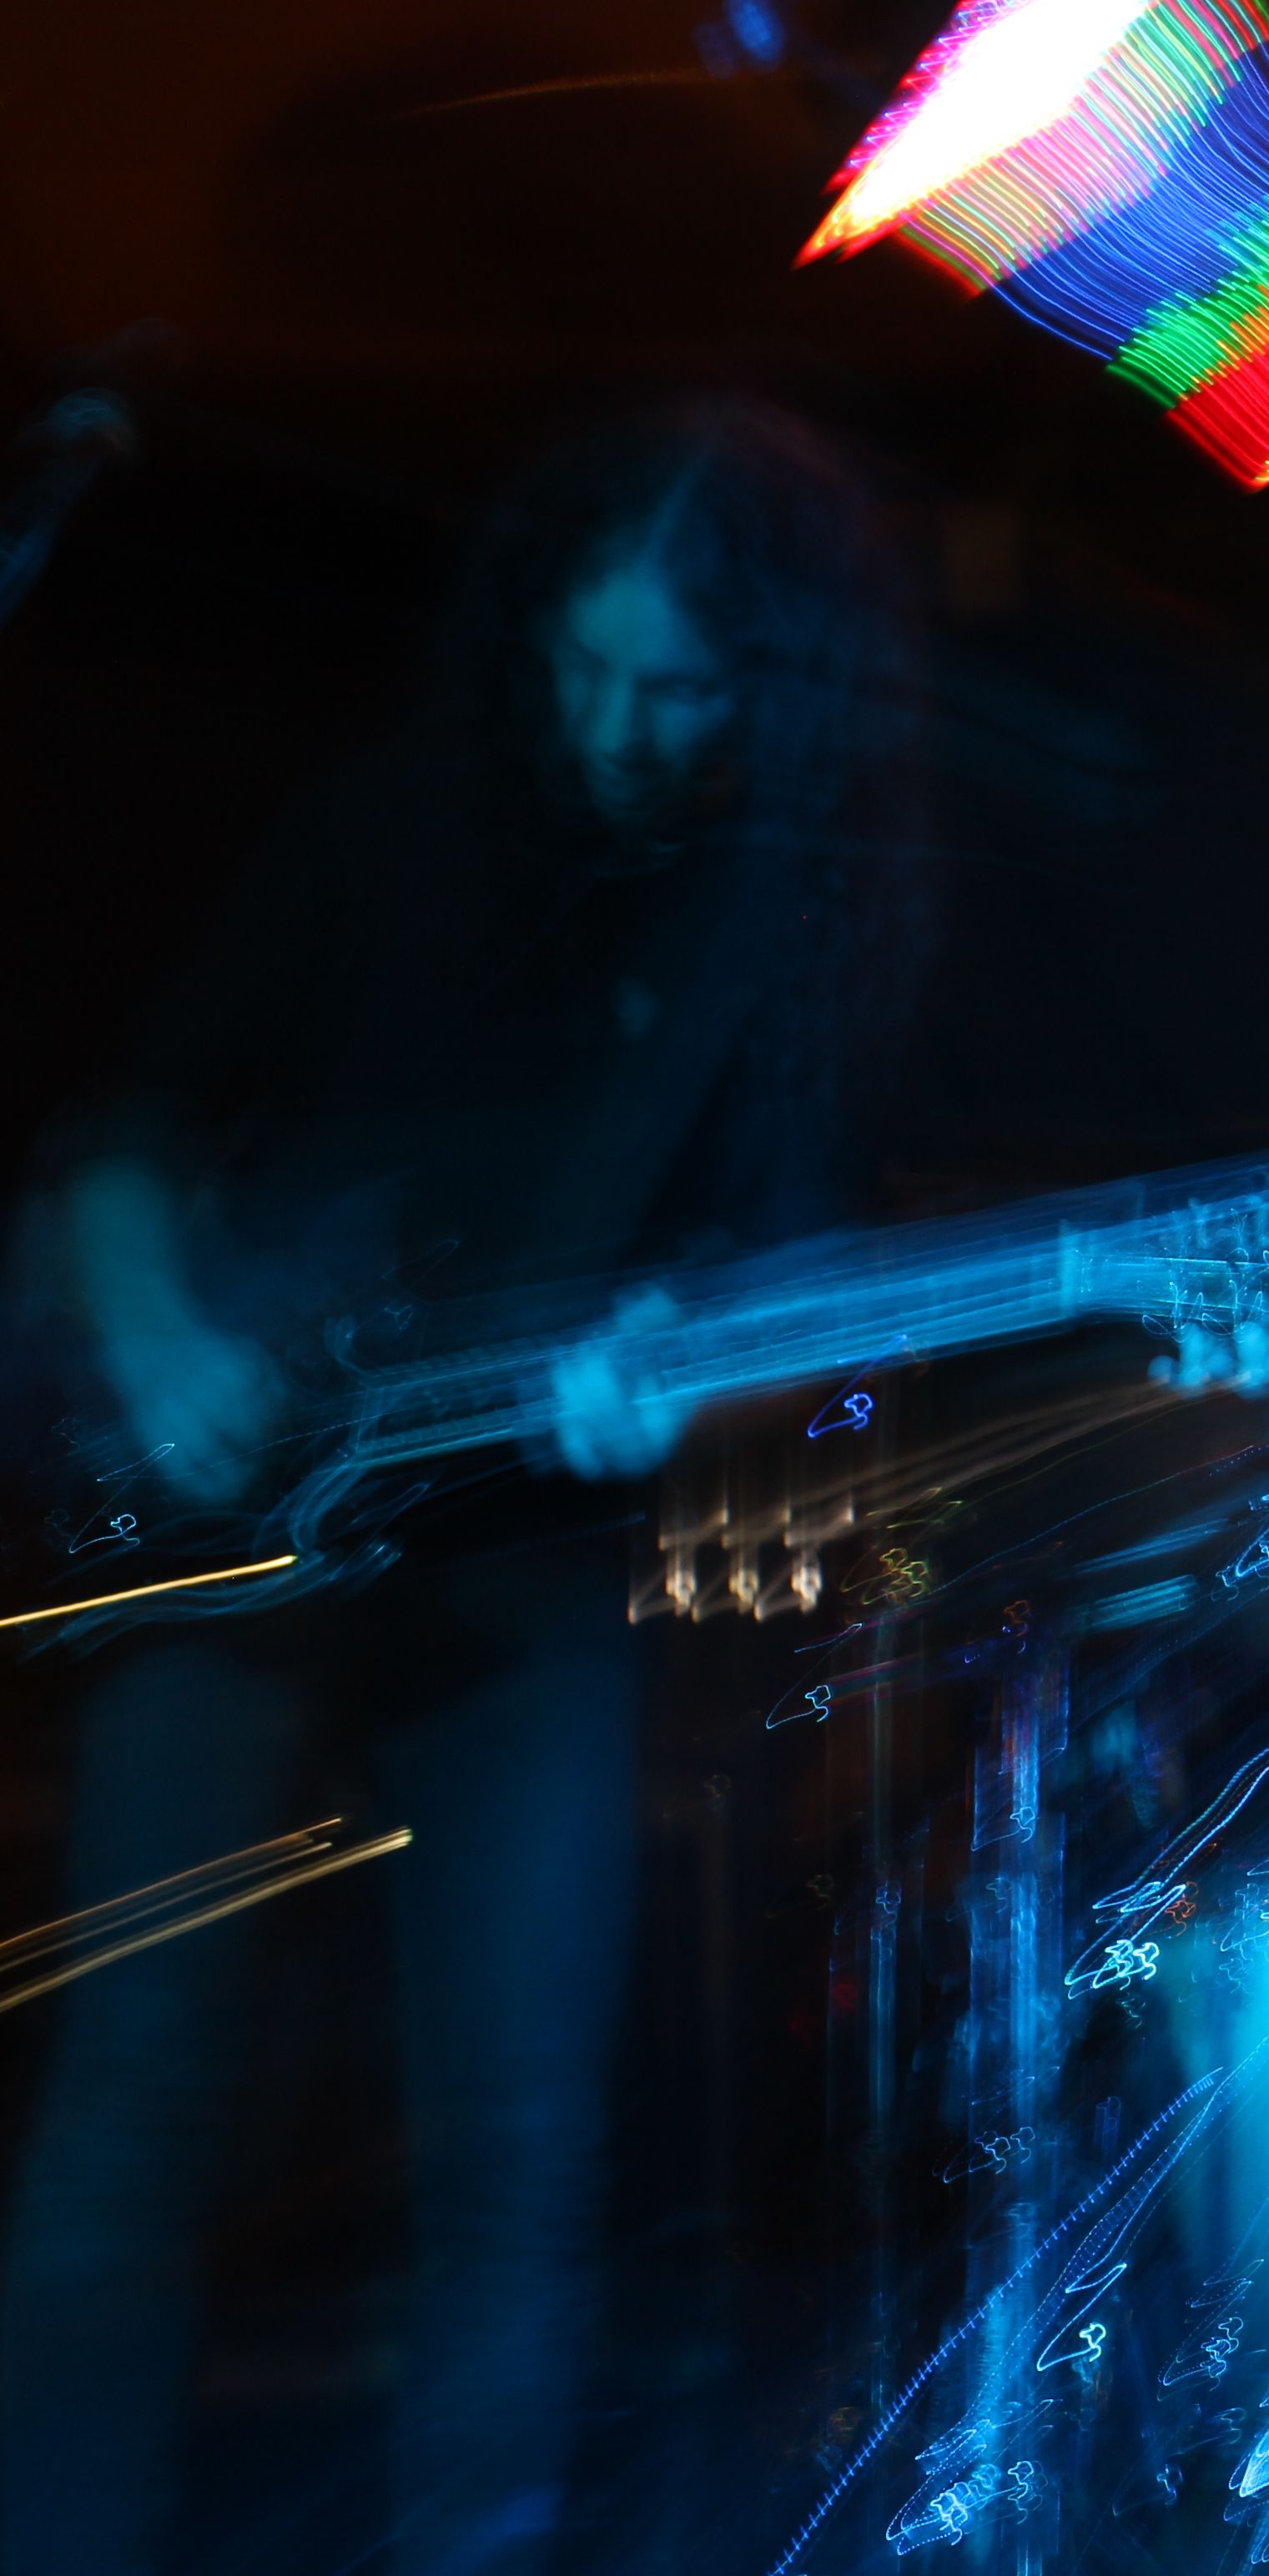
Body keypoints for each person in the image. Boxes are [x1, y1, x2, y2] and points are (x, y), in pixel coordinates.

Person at [0, 399, 927, 2575]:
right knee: (135, 2111)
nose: (616, 725)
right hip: (234, 1538)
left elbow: (787, 1306)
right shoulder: (387, 820)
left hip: (520, 1574)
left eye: (676, 692)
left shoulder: (789, 920)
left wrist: (678, 1389)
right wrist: (168, 1346)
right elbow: (121, 1142)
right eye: (587, 668)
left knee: (521, 2152)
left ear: (770, 691)